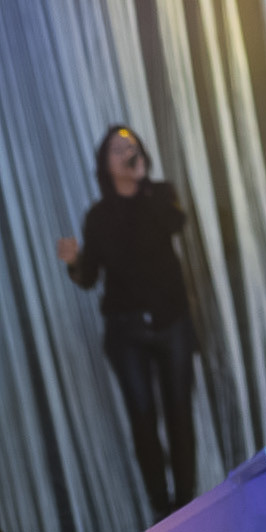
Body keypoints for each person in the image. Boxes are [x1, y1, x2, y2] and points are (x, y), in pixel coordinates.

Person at [57, 126, 196, 522]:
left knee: (180, 410)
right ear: (105, 164)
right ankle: (161, 506)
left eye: (130, 146)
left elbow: (176, 223)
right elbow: (88, 278)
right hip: (126, 330)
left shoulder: (160, 194)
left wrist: (143, 184)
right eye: (117, 149)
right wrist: (74, 262)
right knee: (142, 416)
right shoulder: (98, 216)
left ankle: (188, 503)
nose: (125, 152)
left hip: (171, 321)